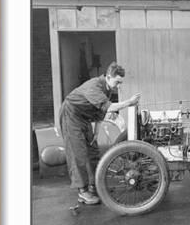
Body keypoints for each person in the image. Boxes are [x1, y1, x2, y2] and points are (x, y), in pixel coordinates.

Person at [59, 62, 140, 205]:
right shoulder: (94, 86)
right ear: (108, 77)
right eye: (117, 82)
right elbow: (109, 108)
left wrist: (96, 132)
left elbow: (99, 113)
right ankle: (83, 192)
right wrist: (129, 102)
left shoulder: (107, 89)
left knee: (93, 150)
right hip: (70, 115)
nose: (119, 86)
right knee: (78, 153)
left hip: (84, 117)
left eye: (121, 83)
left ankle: (94, 186)